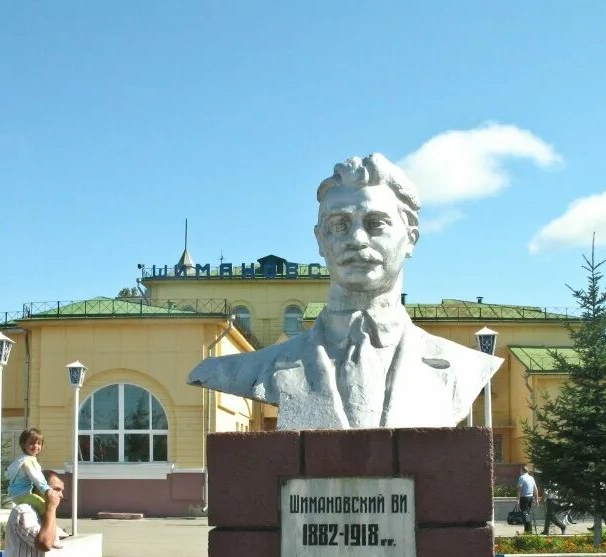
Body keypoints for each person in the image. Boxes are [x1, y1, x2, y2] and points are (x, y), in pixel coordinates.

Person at [188, 153, 502, 429]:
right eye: (339, 224)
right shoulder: (251, 371)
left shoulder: (463, 367)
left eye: (376, 223)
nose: (357, 239)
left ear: (411, 238)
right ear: (320, 239)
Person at [516, 466, 539, 534]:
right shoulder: (531, 478)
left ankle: (528, 530)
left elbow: (519, 489)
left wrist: (517, 500)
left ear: (522, 471)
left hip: (524, 498)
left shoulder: (522, 477)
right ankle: (528, 530)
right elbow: (535, 489)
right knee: (527, 513)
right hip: (530, 498)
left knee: (525, 514)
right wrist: (537, 499)